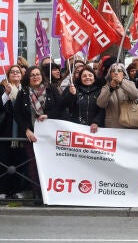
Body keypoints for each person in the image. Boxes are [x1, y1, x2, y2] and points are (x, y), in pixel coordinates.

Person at [13, 66, 67, 202]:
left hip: (50, 135)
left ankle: (53, 193)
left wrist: (48, 115)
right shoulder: (23, 92)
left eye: (38, 74)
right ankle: (37, 193)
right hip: (32, 135)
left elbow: (61, 108)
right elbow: (17, 114)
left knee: (51, 163)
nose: (35, 77)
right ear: (28, 78)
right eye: (32, 75)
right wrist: (26, 129)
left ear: (42, 76)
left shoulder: (51, 89)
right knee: (34, 164)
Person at [0, 65, 27, 199]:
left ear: (21, 75)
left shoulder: (25, 90)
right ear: (8, 75)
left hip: (21, 132)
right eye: (12, 72)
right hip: (6, 132)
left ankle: (17, 190)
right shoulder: (3, 90)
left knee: (19, 161)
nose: (15, 74)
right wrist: (5, 94)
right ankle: (3, 190)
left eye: (18, 72)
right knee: (4, 160)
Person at [97, 63, 138, 128]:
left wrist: (121, 83)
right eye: (113, 71)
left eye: (119, 71)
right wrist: (111, 88)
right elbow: (100, 104)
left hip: (130, 125)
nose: (116, 73)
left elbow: (136, 95)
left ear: (123, 73)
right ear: (110, 74)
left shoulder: (130, 84)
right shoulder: (106, 87)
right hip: (114, 127)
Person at [61, 67, 105, 133]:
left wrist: (96, 122)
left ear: (94, 78)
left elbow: (103, 109)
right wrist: (71, 94)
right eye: (84, 76)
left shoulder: (101, 90)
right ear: (80, 79)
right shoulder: (74, 89)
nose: (87, 77)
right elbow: (65, 105)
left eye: (90, 75)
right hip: (76, 128)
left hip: (95, 129)